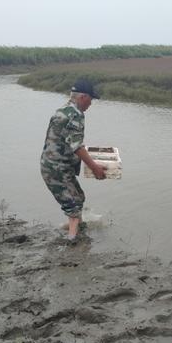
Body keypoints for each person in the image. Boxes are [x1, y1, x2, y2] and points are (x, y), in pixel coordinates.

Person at [40, 79, 107, 242]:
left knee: (79, 197)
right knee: (74, 205)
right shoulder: (76, 115)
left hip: (53, 165)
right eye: (91, 100)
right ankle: (72, 241)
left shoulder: (63, 110)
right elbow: (76, 146)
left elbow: (67, 142)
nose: (91, 104)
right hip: (57, 168)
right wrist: (95, 167)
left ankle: (78, 229)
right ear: (83, 97)